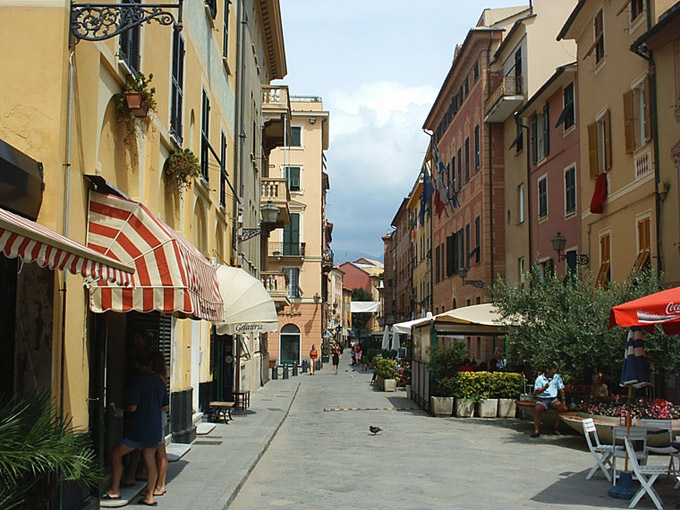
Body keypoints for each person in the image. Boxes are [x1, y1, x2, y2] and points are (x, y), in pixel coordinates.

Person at [105, 351, 169, 505]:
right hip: (154, 428)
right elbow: (165, 405)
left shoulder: (138, 381)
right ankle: (149, 496)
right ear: (151, 364)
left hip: (138, 429)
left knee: (116, 455)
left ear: (137, 364)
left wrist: (123, 408)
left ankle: (114, 490)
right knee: (150, 460)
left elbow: (132, 407)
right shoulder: (159, 381)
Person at [147, 351, 169, 498]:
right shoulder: (160, 377)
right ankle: (156, 484)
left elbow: (164, 404)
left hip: (158, 417)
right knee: (157, 450)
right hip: (158, 416)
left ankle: (160, 485)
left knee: (160, 451)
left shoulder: (158, 379)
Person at [531, 366, 567, 438]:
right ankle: (536, 430)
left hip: (553, 398)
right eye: (553, 370)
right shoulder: (540, 379)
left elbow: (561, 389)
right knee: (537, 410)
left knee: (562, 409)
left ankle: (556, 427)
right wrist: (545, 388)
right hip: (542, 399)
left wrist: (563, 401)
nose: (554, 372)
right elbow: (537, 391)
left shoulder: (557, 377)